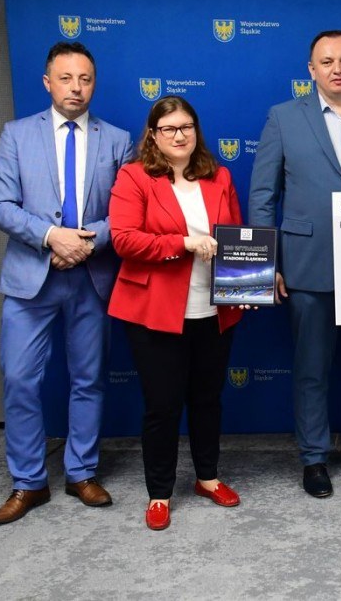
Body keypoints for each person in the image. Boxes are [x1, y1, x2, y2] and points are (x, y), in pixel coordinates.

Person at [0, 41, 133, 524]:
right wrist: (51, 236)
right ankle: (28, 483)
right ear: (48, 82)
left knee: (88, 379)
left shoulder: (117, 139)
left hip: (91, 277)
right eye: (66, 78)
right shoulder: (16, 135)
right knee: (20, 379)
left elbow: (129, 213)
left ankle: (81, 473)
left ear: (95, 83)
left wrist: (87, 243)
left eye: (85, 79)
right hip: (32, 278)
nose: (76, 87)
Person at [248, 30, 341, 498]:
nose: (337, 68)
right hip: (305, 264)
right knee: (311, 368)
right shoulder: (282, 118)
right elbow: (263, 196)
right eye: (326, 61)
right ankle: (313, 459)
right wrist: (264, 264)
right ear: (310, 70)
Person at [108, 96, 244, 531]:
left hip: (213, 309)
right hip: (155, 313)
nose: (180, 135)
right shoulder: (134, 177)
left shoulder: (219, 176)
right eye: (169, 129)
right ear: (153, 135)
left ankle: (207, 477)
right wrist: (182, 243)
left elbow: (239, 237)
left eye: (186, 126)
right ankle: (160, 494)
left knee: (208, 401)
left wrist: (245, 283)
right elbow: (124, 240)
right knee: (162, 407)